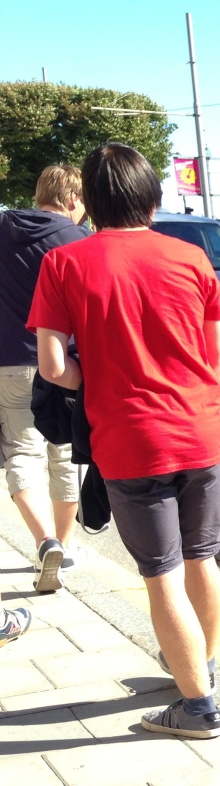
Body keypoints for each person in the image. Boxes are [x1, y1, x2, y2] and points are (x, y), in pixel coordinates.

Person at [28, 143, 220, 739]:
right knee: (202, 558)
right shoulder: (191, 257)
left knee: (161, 571)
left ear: (88, 202)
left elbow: (51, 366)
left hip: (129, 438)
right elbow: (218, 360)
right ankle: (200, 669)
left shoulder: (65, 264)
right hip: (200, 431)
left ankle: (197, 708)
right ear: (154, 195)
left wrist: (94, 377)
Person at [0, 163, 90, 592]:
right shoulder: (77, 240)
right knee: (66, 451)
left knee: (21, 451)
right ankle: (65, 545)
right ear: (73, 200)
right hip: (64, 363)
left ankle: (44, 541)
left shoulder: (1, 228)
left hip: (8, 362)